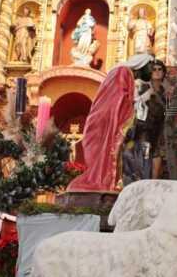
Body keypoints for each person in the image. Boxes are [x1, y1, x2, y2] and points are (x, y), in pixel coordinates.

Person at [66, 54, 154, 193]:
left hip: (106, 121)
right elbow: (118, 100)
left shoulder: (125, 74)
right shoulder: (123, 71)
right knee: (104, 159)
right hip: (104, 122)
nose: (153, 70)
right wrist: (141, 100)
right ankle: (106, 184)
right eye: (151, 66)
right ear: (142, 64)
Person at [122, 59, 167, 184]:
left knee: (156, 168)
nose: (157, 72)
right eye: (154, 69)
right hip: (143, 132)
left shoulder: (163, 93)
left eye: (160, 69)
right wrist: (147, 95)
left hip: (158, 133)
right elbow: (133, 105)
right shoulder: (142, 87)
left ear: (164, 72)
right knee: (143, 165)